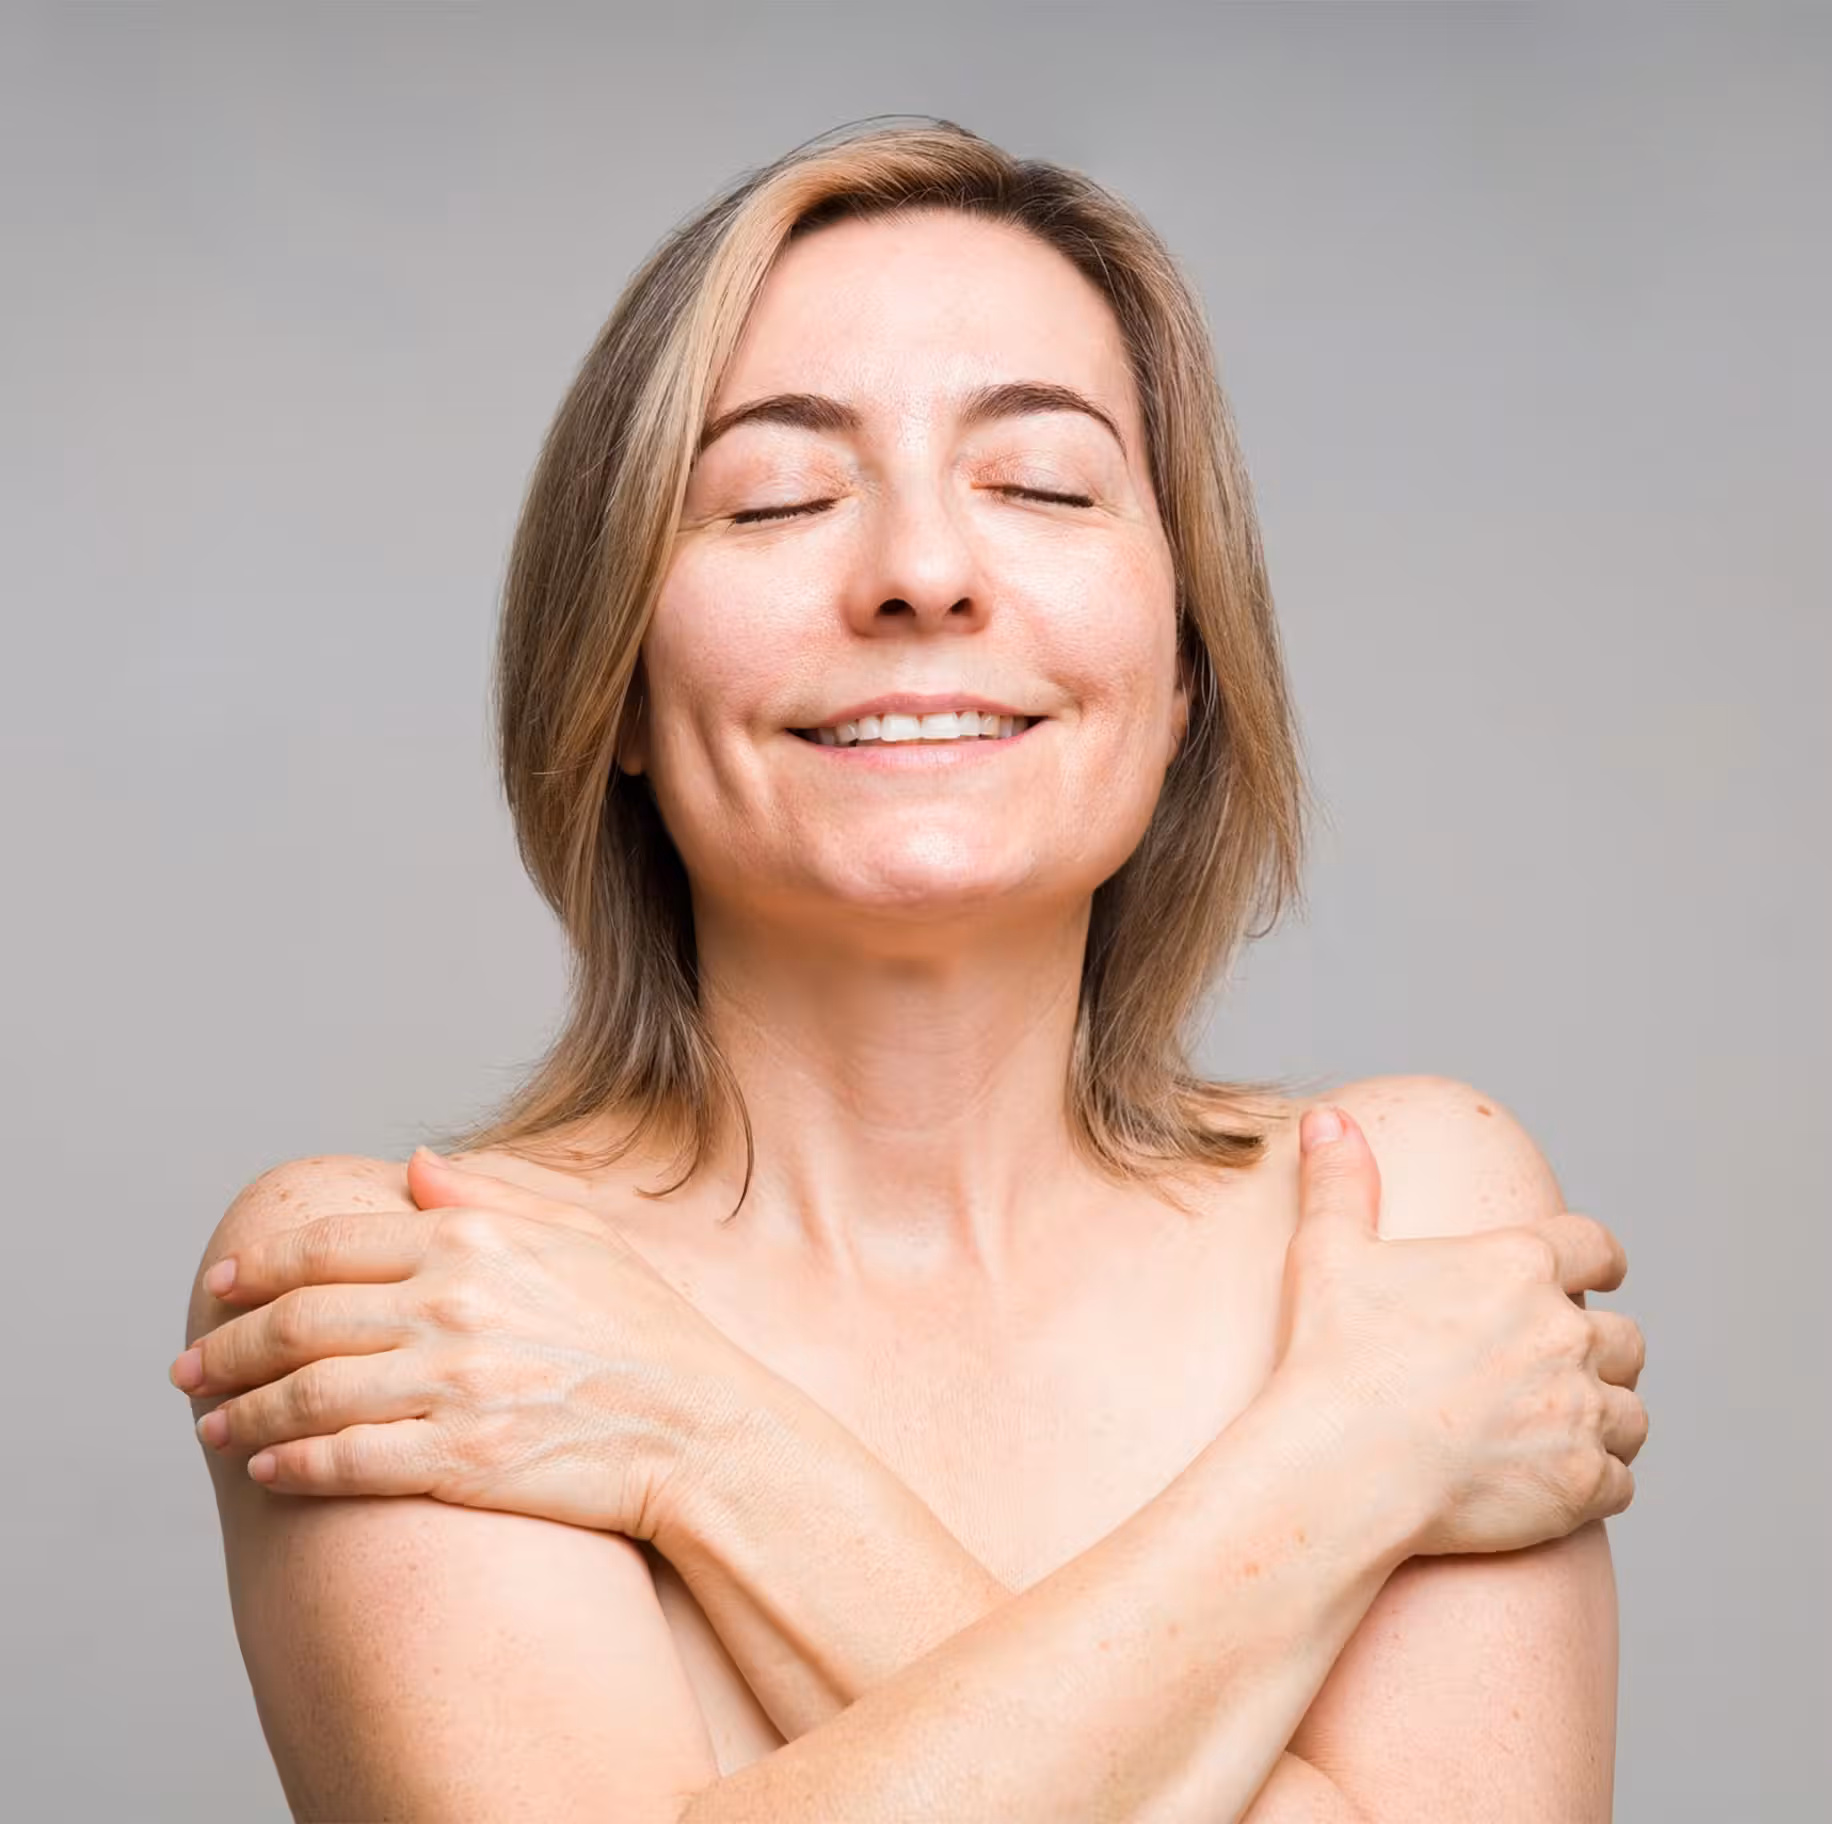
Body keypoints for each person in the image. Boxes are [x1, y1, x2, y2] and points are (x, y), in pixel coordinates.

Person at [171, 118, 1647, 1821]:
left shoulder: (1408, 1215)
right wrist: (1352, 1460)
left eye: (1040, 485)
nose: (924, 575)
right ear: (620, 678)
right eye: (778, 496)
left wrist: (701, 1446)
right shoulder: (419, 1285)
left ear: (1182, 669)